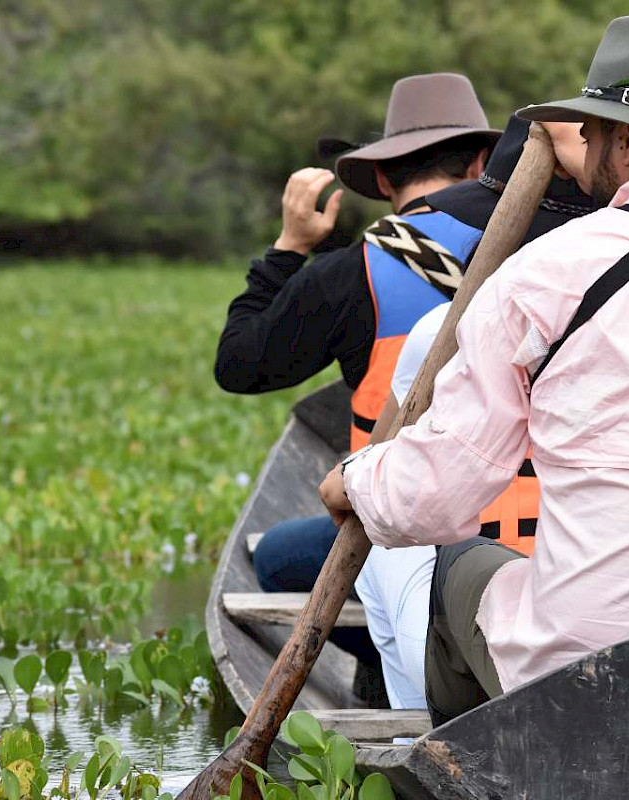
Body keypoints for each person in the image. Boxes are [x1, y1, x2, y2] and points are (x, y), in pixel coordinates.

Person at [320, 14, 629, 726]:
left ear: (628, 137)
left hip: (586, 673)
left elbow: (434, 498)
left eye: (598, 129)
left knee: (453, 563)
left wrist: (354, 482)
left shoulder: (548, 274)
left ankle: (467, 756)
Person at [216, 74, 501, 635]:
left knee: (274, 556)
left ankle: (384, 662)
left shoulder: (351, 270)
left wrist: (290, 247)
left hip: (405, 527)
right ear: (481, 164)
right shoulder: (549, 248)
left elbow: (240, 364)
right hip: (530, 521)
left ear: (378, 176)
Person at [354, 118, 592, 709]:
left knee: (383, 548)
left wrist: (349, 483)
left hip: (540, 632)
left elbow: (416, 496)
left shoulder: (448, 330)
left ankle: (419, 729)